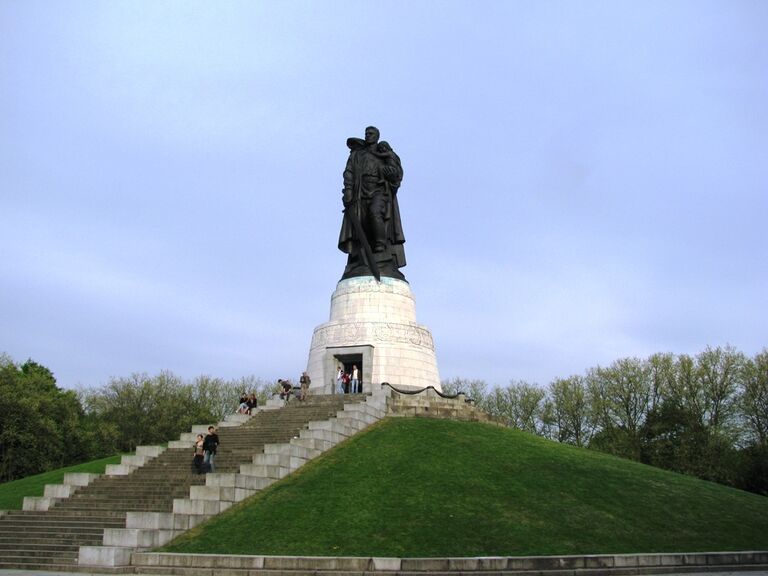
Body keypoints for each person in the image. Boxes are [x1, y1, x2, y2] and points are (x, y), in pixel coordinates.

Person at [338, 126, 406, 281]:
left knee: (375, 213)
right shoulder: (357, 154)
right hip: (360, 192)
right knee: (361, 222)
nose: (368, 135)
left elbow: (397, 174)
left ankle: (380, 246)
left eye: (371, 134)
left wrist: (392, 174)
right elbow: (349, 171)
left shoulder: (384, 153)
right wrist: (348, 189)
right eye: (366, 133)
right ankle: (362, 255)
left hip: (379, 191)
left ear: (377, 136)